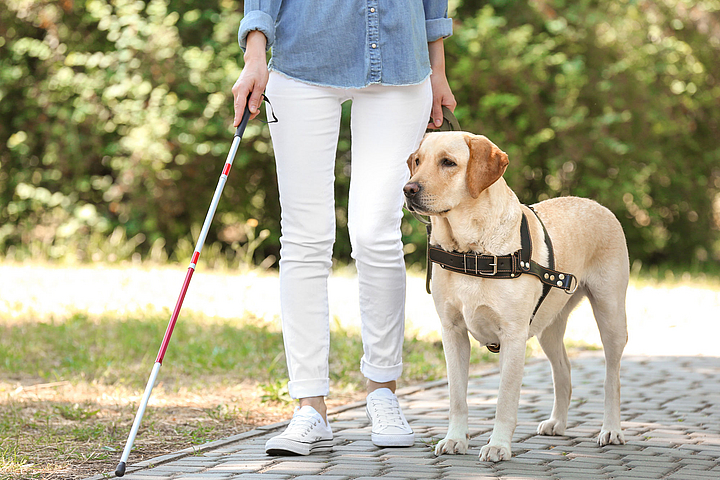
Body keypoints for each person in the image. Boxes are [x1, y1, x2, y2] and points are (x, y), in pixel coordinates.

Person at [232, 0, 456, 456]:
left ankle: (383, 392)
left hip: (401, 63)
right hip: (301, 61)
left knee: (377, 233)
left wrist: (438, 68)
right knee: (304, 238)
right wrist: (255, 53)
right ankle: (309, 406)